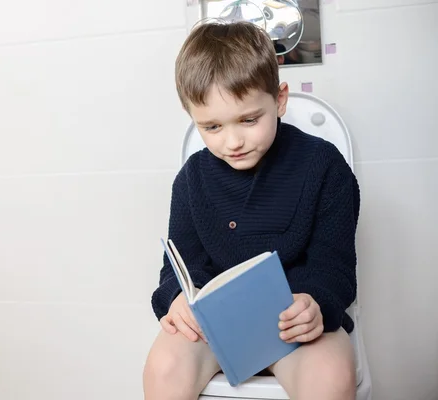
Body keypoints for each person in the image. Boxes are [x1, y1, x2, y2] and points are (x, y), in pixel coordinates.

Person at [142, 20, 360, 400]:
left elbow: (335, 266)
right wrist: (176, 297)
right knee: (165, 367)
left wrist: (314, 301)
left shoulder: (324, 167)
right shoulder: (192, 179)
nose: (233, 141)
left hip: (294, 326)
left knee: (329, 374)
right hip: (217, 329)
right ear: (192, 116)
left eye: (249, 120)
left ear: (279, 100)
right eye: (211, 127)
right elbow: (179, 266)